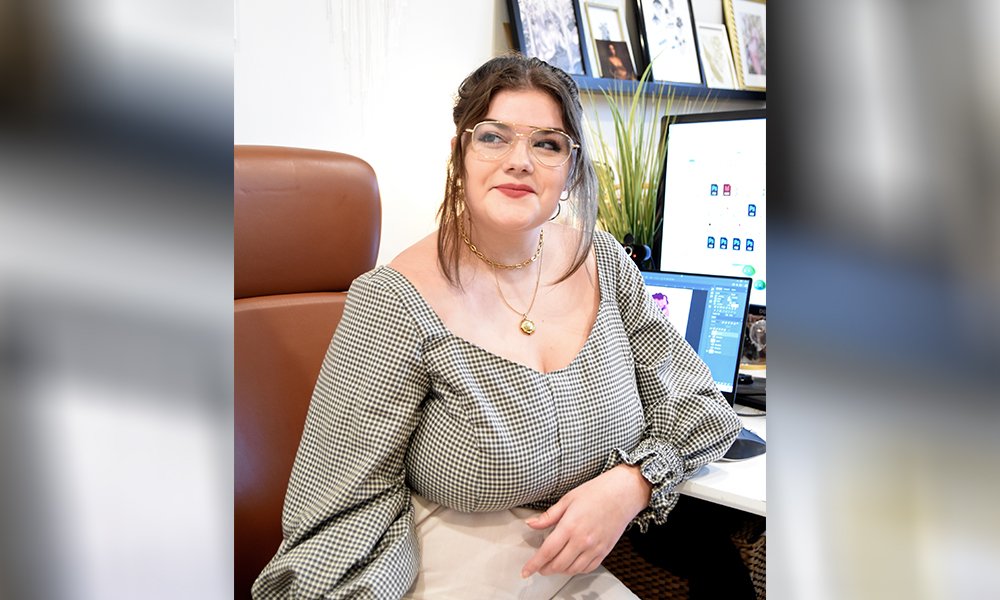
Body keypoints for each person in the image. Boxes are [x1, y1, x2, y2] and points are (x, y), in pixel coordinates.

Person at [251, 53, 742, 600]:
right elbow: (342, 511)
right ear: (460, 154)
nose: (520, 161)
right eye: (493, 137)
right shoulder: (394, 301)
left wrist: (633, 482)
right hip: (450, 565)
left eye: (547, 144)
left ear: (571, 168)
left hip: (584, 564)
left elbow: (701, 406)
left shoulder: (600, 259)